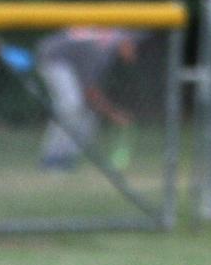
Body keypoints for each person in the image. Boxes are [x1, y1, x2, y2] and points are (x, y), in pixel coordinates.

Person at [35, 27, 139, 170]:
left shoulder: (106, 50)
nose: (135, 50)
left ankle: (65, 158)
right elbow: (89, 91)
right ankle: (52, 157)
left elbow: (90, 90)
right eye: (133, 45)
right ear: (125, 42)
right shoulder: (100, 50)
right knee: (71, 106)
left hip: (66, 63)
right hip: (54, 59)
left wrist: (108, 111)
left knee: (87, 115)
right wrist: (113, 113)